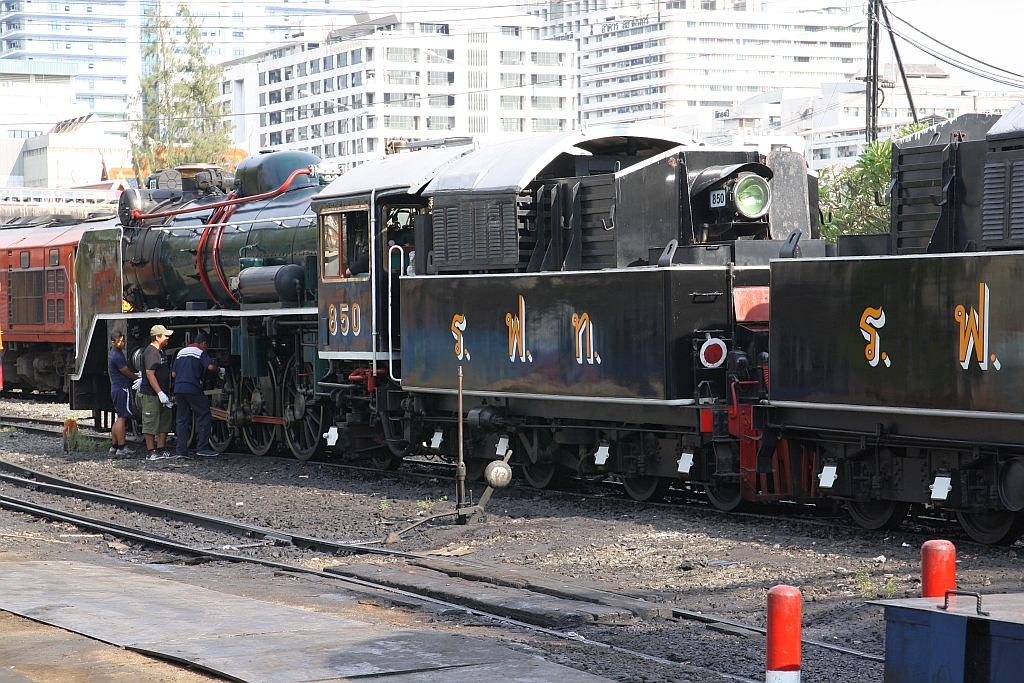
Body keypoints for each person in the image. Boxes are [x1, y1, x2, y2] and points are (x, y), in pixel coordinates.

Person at [171, 331, 223, 458]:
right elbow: (210, 367)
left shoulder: (181, 352)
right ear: (204, 343)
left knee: (182, 419)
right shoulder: (200, 352)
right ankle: (203, 448)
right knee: (204, 415)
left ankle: (181, 451)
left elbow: (173, 374)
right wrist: (219, 370)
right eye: (207, 346)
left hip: (179, 388)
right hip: (192, 387)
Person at [140, 324, 175, 460]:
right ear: (157, 337)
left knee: (165, 421)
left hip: (163, 393)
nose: (168, 338)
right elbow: (150, 374)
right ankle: (151, 451)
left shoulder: (161, 351)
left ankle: (160, 449)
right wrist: (159, 392)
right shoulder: (151, 352)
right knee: (150, 422)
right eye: (165, 336)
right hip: (151, 394)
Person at [107, 331, 138, 457]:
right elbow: (126, 372)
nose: (123, 343)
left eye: (123, 340)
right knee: (122, 417)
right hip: (122, 388)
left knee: (119, 417)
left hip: (116, 388)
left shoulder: (114, 353)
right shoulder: (118, 356)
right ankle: (122, 447)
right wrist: (138, 377)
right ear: (113, 342)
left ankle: (114, 446)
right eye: (119, 341)